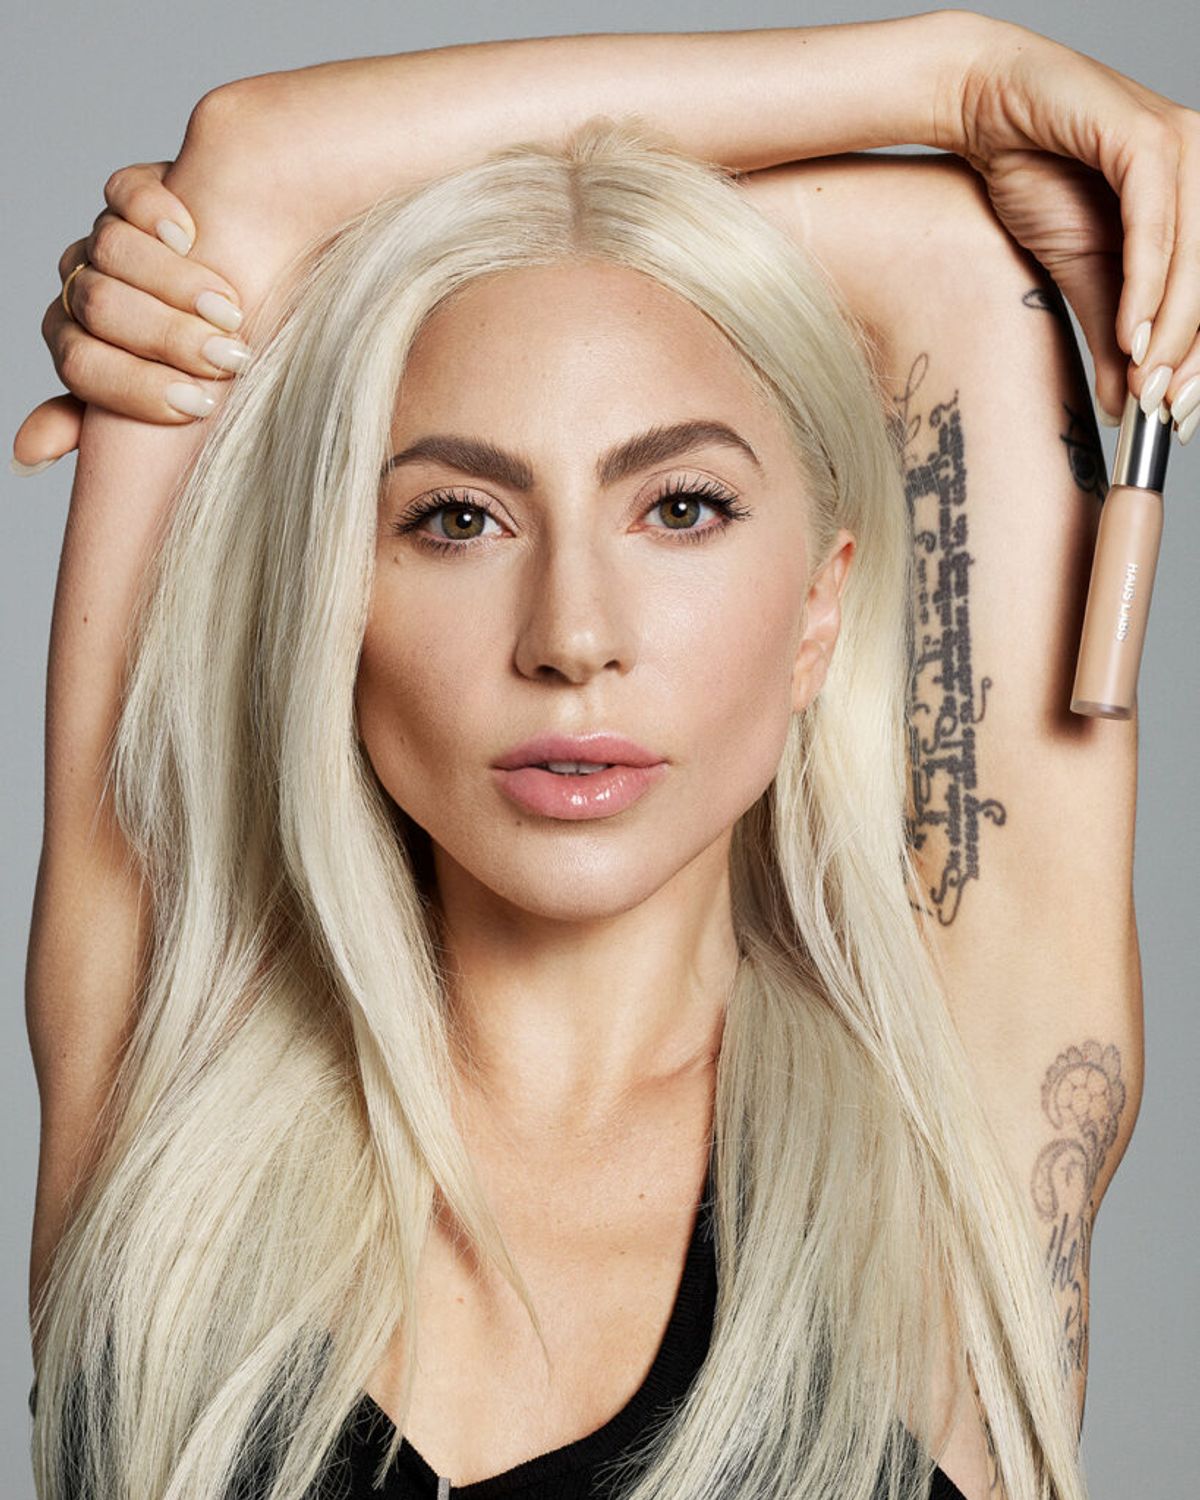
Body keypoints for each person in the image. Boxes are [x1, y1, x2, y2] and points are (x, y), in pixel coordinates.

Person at [15, 15, 1196, 1500]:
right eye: (457, 518)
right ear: (333, 599)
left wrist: (964, 83)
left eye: (681, 507)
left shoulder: (955, 1107)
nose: (573, 637)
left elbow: (954, 259)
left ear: (820, 609)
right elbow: (252, 182)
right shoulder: (174, 1065)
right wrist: (946, 82)